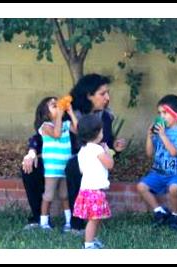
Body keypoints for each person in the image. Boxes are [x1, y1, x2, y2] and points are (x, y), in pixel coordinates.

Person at [21, 74, 126, 231]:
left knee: (73, 166)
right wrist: (31, 152)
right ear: (89, 96)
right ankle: (39, 218)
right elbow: (39, 136)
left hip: (83, 165)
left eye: (107, 93)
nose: (108, 98)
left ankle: (76, 224)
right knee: (30, 168)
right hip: (58, 161)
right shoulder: (67, 112)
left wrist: (116, 149)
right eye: (102, 94)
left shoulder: (105, 117)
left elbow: (106, 147)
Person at [136, 94, 177, 230]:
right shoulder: (160, 132)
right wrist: (149, 136)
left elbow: (173, 152)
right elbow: (149, 154)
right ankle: (159, 211)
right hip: (158, 173)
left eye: (165, 113)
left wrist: (163, 135)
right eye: (160, 113)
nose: (162, 116)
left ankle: (176, 216)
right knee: (141, 186)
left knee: (174, 188)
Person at [34, 96, 77, 230]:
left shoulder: (65, 124)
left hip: (65, 168)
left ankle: (69, 221)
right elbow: (57, 134)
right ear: (46, 113)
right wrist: (59, 115)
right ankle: (44, 222)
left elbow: (80, 131)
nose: (58, 107)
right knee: (49, 195)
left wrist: (70, 113)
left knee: (65, 195)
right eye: (54, 106)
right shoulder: (45, 127)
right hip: (52, 168)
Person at [73, 114, 113, 249]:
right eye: (101, 130)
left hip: (86, 189)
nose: (103, 133)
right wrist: (108, 152)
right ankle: (88, 245)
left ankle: (93, 240)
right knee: (93, 220)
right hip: (94, 191)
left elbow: (82, 170)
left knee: (95, 219)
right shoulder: (98, 149)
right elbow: (109, 164)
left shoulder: (83, 150)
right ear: (96, 133)